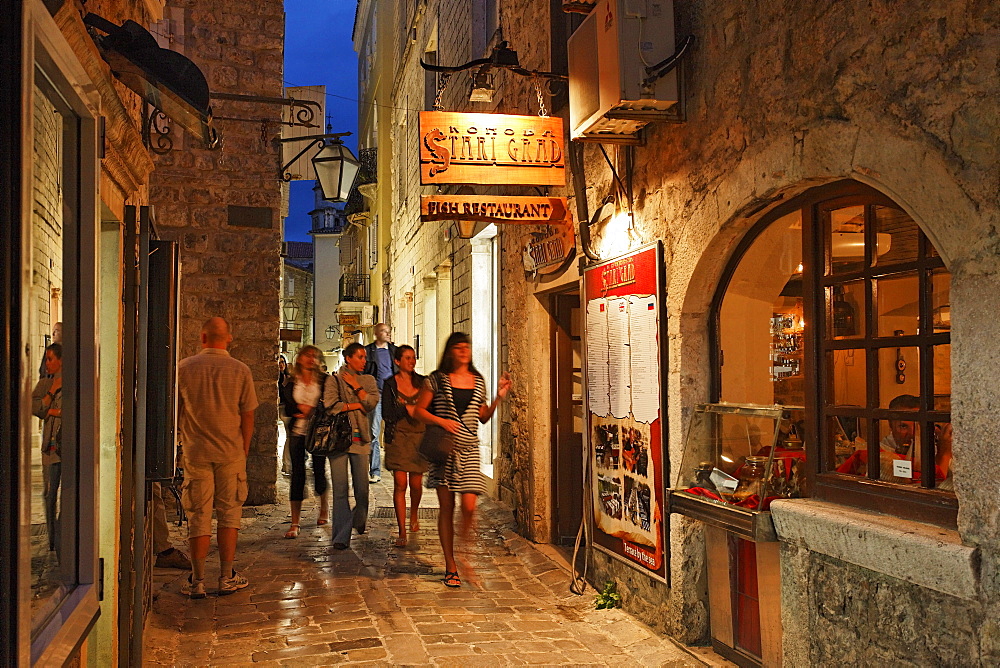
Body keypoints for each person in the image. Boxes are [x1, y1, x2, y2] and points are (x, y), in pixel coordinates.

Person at [414, 332, 511, 587]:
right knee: (447, 508)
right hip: (444, 452)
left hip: (469, 450)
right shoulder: (436, 380)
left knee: (469, 506)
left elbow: (483, 417)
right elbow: (419, 411)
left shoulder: (478, 381)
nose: (464, 351)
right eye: (458, 347)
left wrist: (499, 396)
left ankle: (465, 554)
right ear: (450, 352)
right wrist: (441, 421)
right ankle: (451, 564)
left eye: (466, 347)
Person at [176, 317, 258, 599]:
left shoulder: (184, 369)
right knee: (230, 514)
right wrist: (244, 449)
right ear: (229, 339)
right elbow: (248, 414)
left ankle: (197, 579)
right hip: (231, 451)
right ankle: (226, 576)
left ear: (202, 338)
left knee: (198, 515)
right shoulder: (240, 370)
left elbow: (177, 412)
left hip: (196, 451)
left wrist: (181, 442)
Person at [323, 342, 379, 550]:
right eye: (360, 357)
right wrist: (357, 404)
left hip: (361, 440)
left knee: (362, 490)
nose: (364, 361)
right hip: (338, 441)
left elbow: (372, 403)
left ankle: (358, 518)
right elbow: (331, 406)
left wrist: (356, 387)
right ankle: (341, 535)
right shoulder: (334, 380)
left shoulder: (368, 380)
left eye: (365, 357)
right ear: (348, 358)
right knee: (340, 490)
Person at [380, 345, 428, 547]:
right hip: (398, 437)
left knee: (416, 484)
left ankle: (414, 513)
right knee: (401, 483)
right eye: (407, 358)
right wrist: (405, 408)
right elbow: (386, 413)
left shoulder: (424, 382)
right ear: (398, 361)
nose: (411, 361)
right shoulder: (390, 384)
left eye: (413, 357)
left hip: (419, 436)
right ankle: (401, 530)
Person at [281, 345, 330, 538]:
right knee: (298, 473)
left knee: (319, 469)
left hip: (319, 432)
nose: (311, 359)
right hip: (298, 431)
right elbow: (288, 406)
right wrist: (299, 408)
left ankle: (324, 508)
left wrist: (312, 408)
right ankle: (295, 522)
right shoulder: (292, 382)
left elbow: (328, 402)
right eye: (307, 355)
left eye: (314, 356)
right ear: (300, 358)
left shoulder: (325, 381)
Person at [31, 343, 63, 551]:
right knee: (50, 494)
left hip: (66, 448)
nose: (47, 363)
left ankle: (63, 536)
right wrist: (51, 393)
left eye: (51, 359)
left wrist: (52, 411)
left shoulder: (74, 384)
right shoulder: (44, 384)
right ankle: (52, 540)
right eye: (46, 359)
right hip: (50, 450)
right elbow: (36, 408)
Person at [363, 323, 397, 484]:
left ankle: (395, 466)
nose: (387, 334)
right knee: (374, 433)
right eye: (384, 331)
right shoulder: (369, 351)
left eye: (388, 331)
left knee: (395, 433)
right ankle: (375, 471)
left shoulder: (394, 351)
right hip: (376, 396)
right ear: (376, 333)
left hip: (392, 397)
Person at [277, 355, 292, 475]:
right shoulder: (280, 377)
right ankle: (287, 465)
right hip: (283, 408)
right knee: (290, 437)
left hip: (285, 407)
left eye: (283, 362)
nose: (281, 364)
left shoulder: (286, 376)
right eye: (279, 362)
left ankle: (286, 465)